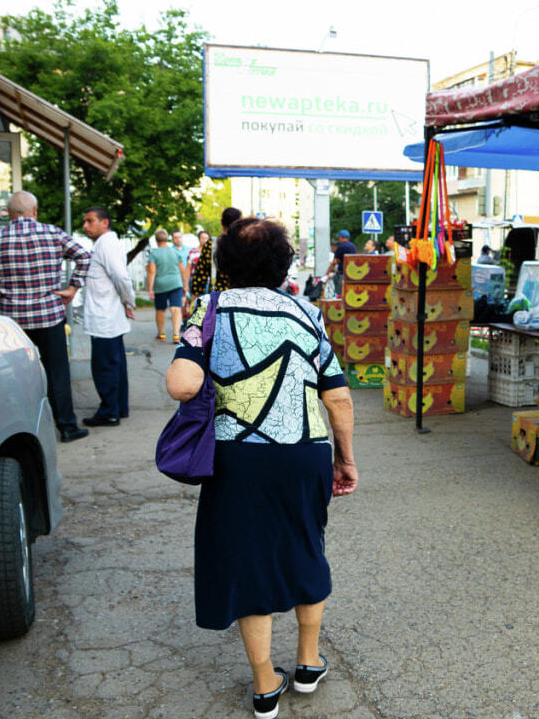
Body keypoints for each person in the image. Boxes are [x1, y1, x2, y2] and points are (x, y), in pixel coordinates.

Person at [165, 217, 357, 719]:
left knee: (248, 556)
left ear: (223, 264)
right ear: (284, 264)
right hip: (305, 451)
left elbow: (182, 385)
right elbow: (337, 396)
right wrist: (345, 458)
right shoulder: (307, 311)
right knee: (305, 545)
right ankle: (309, 663)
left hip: (238, 456)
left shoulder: (209, 308)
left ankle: (265, 684)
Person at [0, 191, 92, 442]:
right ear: (35, 211)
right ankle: (66, 427)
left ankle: (22, 430)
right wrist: (72, 288)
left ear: (8, 213)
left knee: (16, 374)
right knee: (57, 373)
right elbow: (84, 256)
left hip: (13, 322)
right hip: (49, 316)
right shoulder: (53, 234)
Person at [80, 206, 136, 427]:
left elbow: (121, 277)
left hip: (105, 318)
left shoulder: (107, 244)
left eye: (90, 221)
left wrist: (129, 300)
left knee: (105, 367)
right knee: (115, 364)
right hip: (107, 316)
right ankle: (118, 407)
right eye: (84, 221)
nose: (85, 226)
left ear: (105, 222)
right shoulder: (105, 244)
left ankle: (109, 411)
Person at [146, 229, 187, 342]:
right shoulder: (175, 252)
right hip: (176, 283)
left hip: (160, 285)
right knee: (176, 308)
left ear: (156, 239)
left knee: (161, 309)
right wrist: (185, 285)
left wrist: (150, 288)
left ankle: (162, 334)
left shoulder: (154, 253)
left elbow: (152, 272)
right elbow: (182, 270)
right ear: (167, 238)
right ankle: (176, 335)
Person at [189, 208, 240, 297]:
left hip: (218, 297)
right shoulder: (245, 244)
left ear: (221, 222)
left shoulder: (212, 245)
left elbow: (200, 275)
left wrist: (195, 296)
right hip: (241, 296)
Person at [324, 229, 358, 295]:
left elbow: (334, 262)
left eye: (339, 237)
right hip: (352, 274)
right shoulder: (353, 246)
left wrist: (326, 274)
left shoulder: (341, 247)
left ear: (341, 237)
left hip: (342, 275)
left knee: (340, 294)